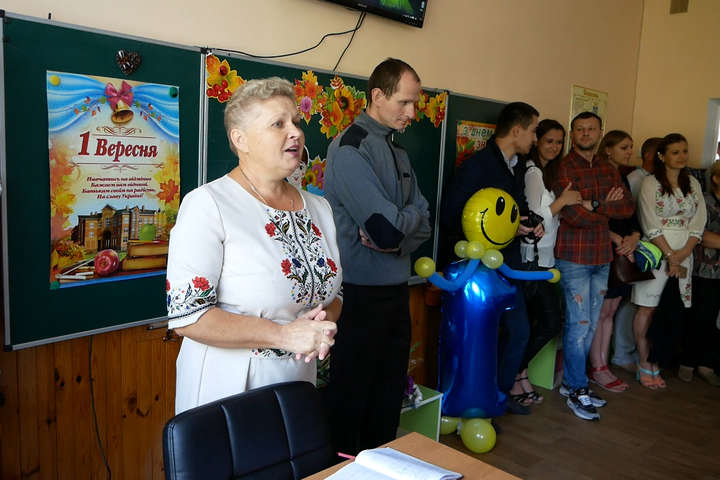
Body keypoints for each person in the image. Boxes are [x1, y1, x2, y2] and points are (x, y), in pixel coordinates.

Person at [166, 77, 342, 414]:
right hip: (227, 391)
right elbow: (189, 317)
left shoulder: (319, 208)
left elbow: (336, 294)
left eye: (296, 122)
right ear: (240, 139)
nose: (295, 132)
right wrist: (283, 335)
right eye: (278, 124)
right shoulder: (208, 205)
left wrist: (321, 324)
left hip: (298, 384)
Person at [324, 58, 432, 455]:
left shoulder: (398, 151)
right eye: (405, 102)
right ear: (377, 96)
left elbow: (423, 223)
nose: (412, 113)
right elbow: (387, 230)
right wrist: (400, 226)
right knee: (351, 404)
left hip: (395, 294)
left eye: (415, 103)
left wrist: (400, 228)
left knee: (387, 401)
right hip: (357, 297)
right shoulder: (351, 148)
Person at [441, 101, 543, 415]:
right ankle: (483, 401)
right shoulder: (478, 166)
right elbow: (452, 215)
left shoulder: (517, 165)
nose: (535, 139)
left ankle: (499, 395)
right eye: (533, 131)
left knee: (519, 331)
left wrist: (530, 224)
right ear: (517, 130)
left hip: (507, 264)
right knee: (481, 338)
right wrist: (499, 232)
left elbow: (516, 209)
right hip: (478, 270)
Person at [552, 112, 634, 421]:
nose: (586, 134)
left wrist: (594, 203)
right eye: (580, 129)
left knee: (590, 324)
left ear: (600, 133)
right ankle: (577, 389)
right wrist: (604, 207)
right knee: (578, 325)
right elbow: (572, 215)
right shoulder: (564, 167)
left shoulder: (607, 167)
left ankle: (574, 383)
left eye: (591, 129)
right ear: (573, 134)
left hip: (601, 256)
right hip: (573, 257)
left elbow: (626, 208)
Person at [511, 119, 581, 406]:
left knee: (539, 322)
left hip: (547, 258)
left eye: (559, 142)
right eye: (549, 140)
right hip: (532, 260)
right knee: (548, 322)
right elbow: (537, 218)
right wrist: (563, 202)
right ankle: (513, 373)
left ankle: (520, 374)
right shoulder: (532, 172)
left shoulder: (550, 173)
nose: (554, 146)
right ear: (536, 140)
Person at [632, 133, 707, 389]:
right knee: (648, 308)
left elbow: (699, 222)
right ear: (662, 156)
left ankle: (659, 361)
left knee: (670, 308)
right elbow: (649, 221)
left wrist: (682, 254)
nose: (682, 156)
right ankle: (645, 363)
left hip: (684, 252)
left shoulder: (693, 183)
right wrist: (669, 255)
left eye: (684, 151)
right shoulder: (650, 183)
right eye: (675, 152)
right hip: (656, 252)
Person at [587, 130, 642, 393]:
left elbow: (631, 215)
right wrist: (616, 238)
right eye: (624, 147)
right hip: (604, 249)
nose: (629, 152)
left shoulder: (622, 177)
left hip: (623, 249)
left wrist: (634, 237)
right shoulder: (597, 175)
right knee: (600, 311)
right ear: (608, 149)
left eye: (630, 147)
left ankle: (603, 363)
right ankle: (596, 365)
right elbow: (595, 214)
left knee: (610, 310)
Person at [611, 136, 663, 374]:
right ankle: (622, 353)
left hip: (642, 246)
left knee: (640, 304)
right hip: (631, 248)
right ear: (650, 155)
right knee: (629, 303)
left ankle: (631, 351)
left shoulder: (658, 180)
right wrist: (631, 238)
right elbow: (627, 215)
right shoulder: (635, 179)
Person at [679, 160, 720, 386]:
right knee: (700, 317)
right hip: (705, 270)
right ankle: (687, 362)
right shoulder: (704, 200)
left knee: (716, 321)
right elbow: (700, 235)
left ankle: (707, 364)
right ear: (716, 179)